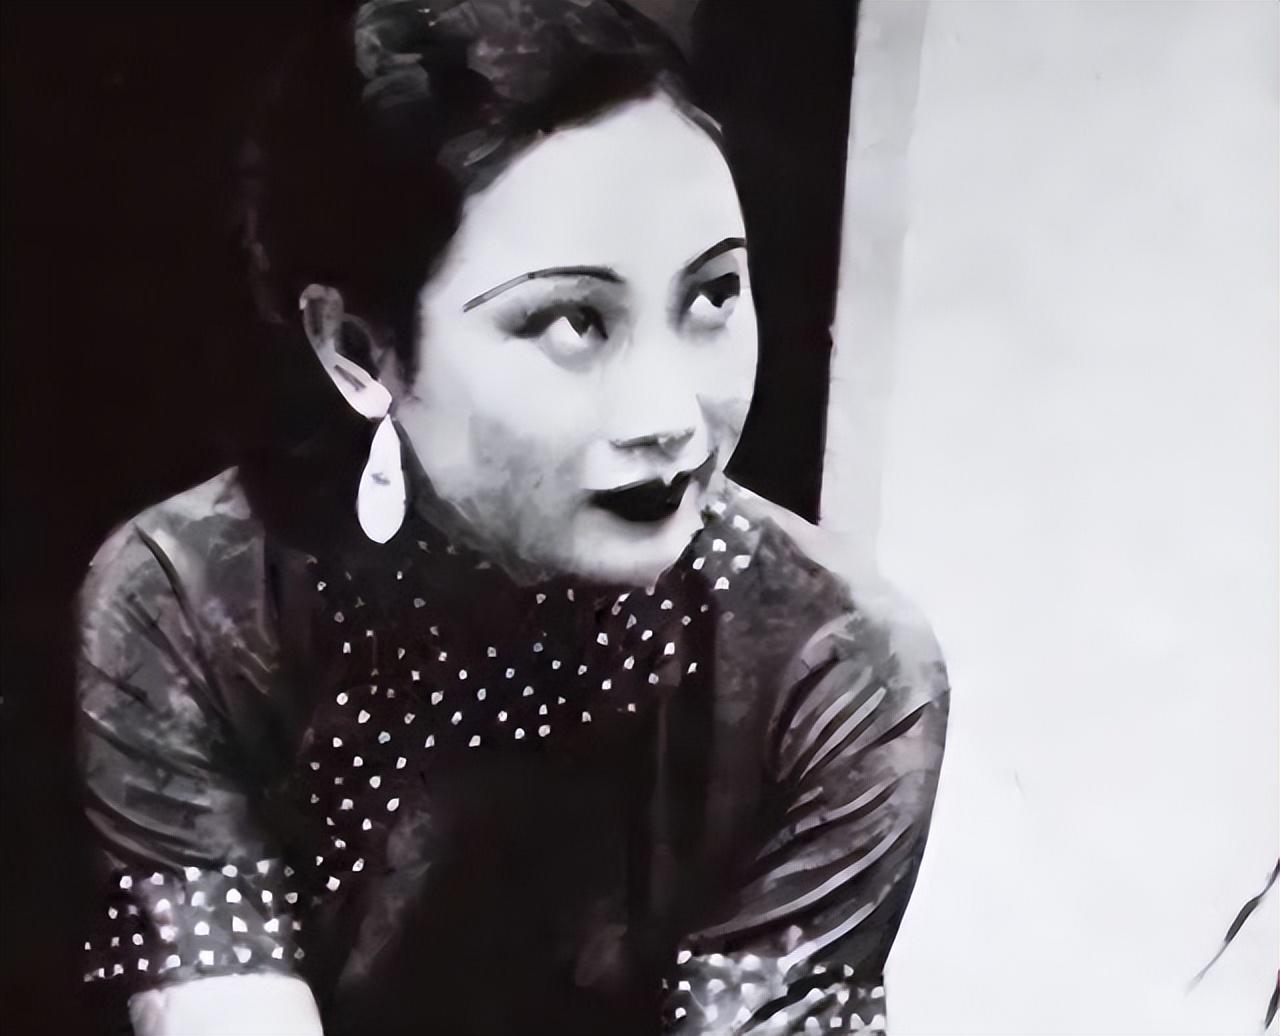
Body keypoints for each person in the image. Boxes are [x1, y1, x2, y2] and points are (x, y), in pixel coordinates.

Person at [74, 2, 949, 1033]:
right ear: (356, 349)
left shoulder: (834, 668)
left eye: (712, 295)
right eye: (573, 321)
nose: (672, 417)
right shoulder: (192, 600)